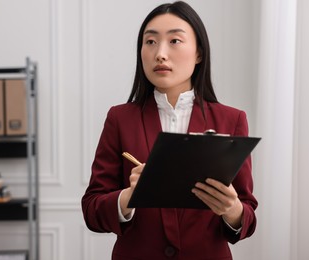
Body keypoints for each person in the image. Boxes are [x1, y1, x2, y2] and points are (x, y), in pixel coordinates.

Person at [81, 1, 257, 259]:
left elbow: (248, 214)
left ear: (199, 53)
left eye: (174, 41)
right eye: (150, 42)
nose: (160, 53)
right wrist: (129, 197)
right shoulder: (119, 118)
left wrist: (232, 209)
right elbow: (92, 210)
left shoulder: (231, 120)